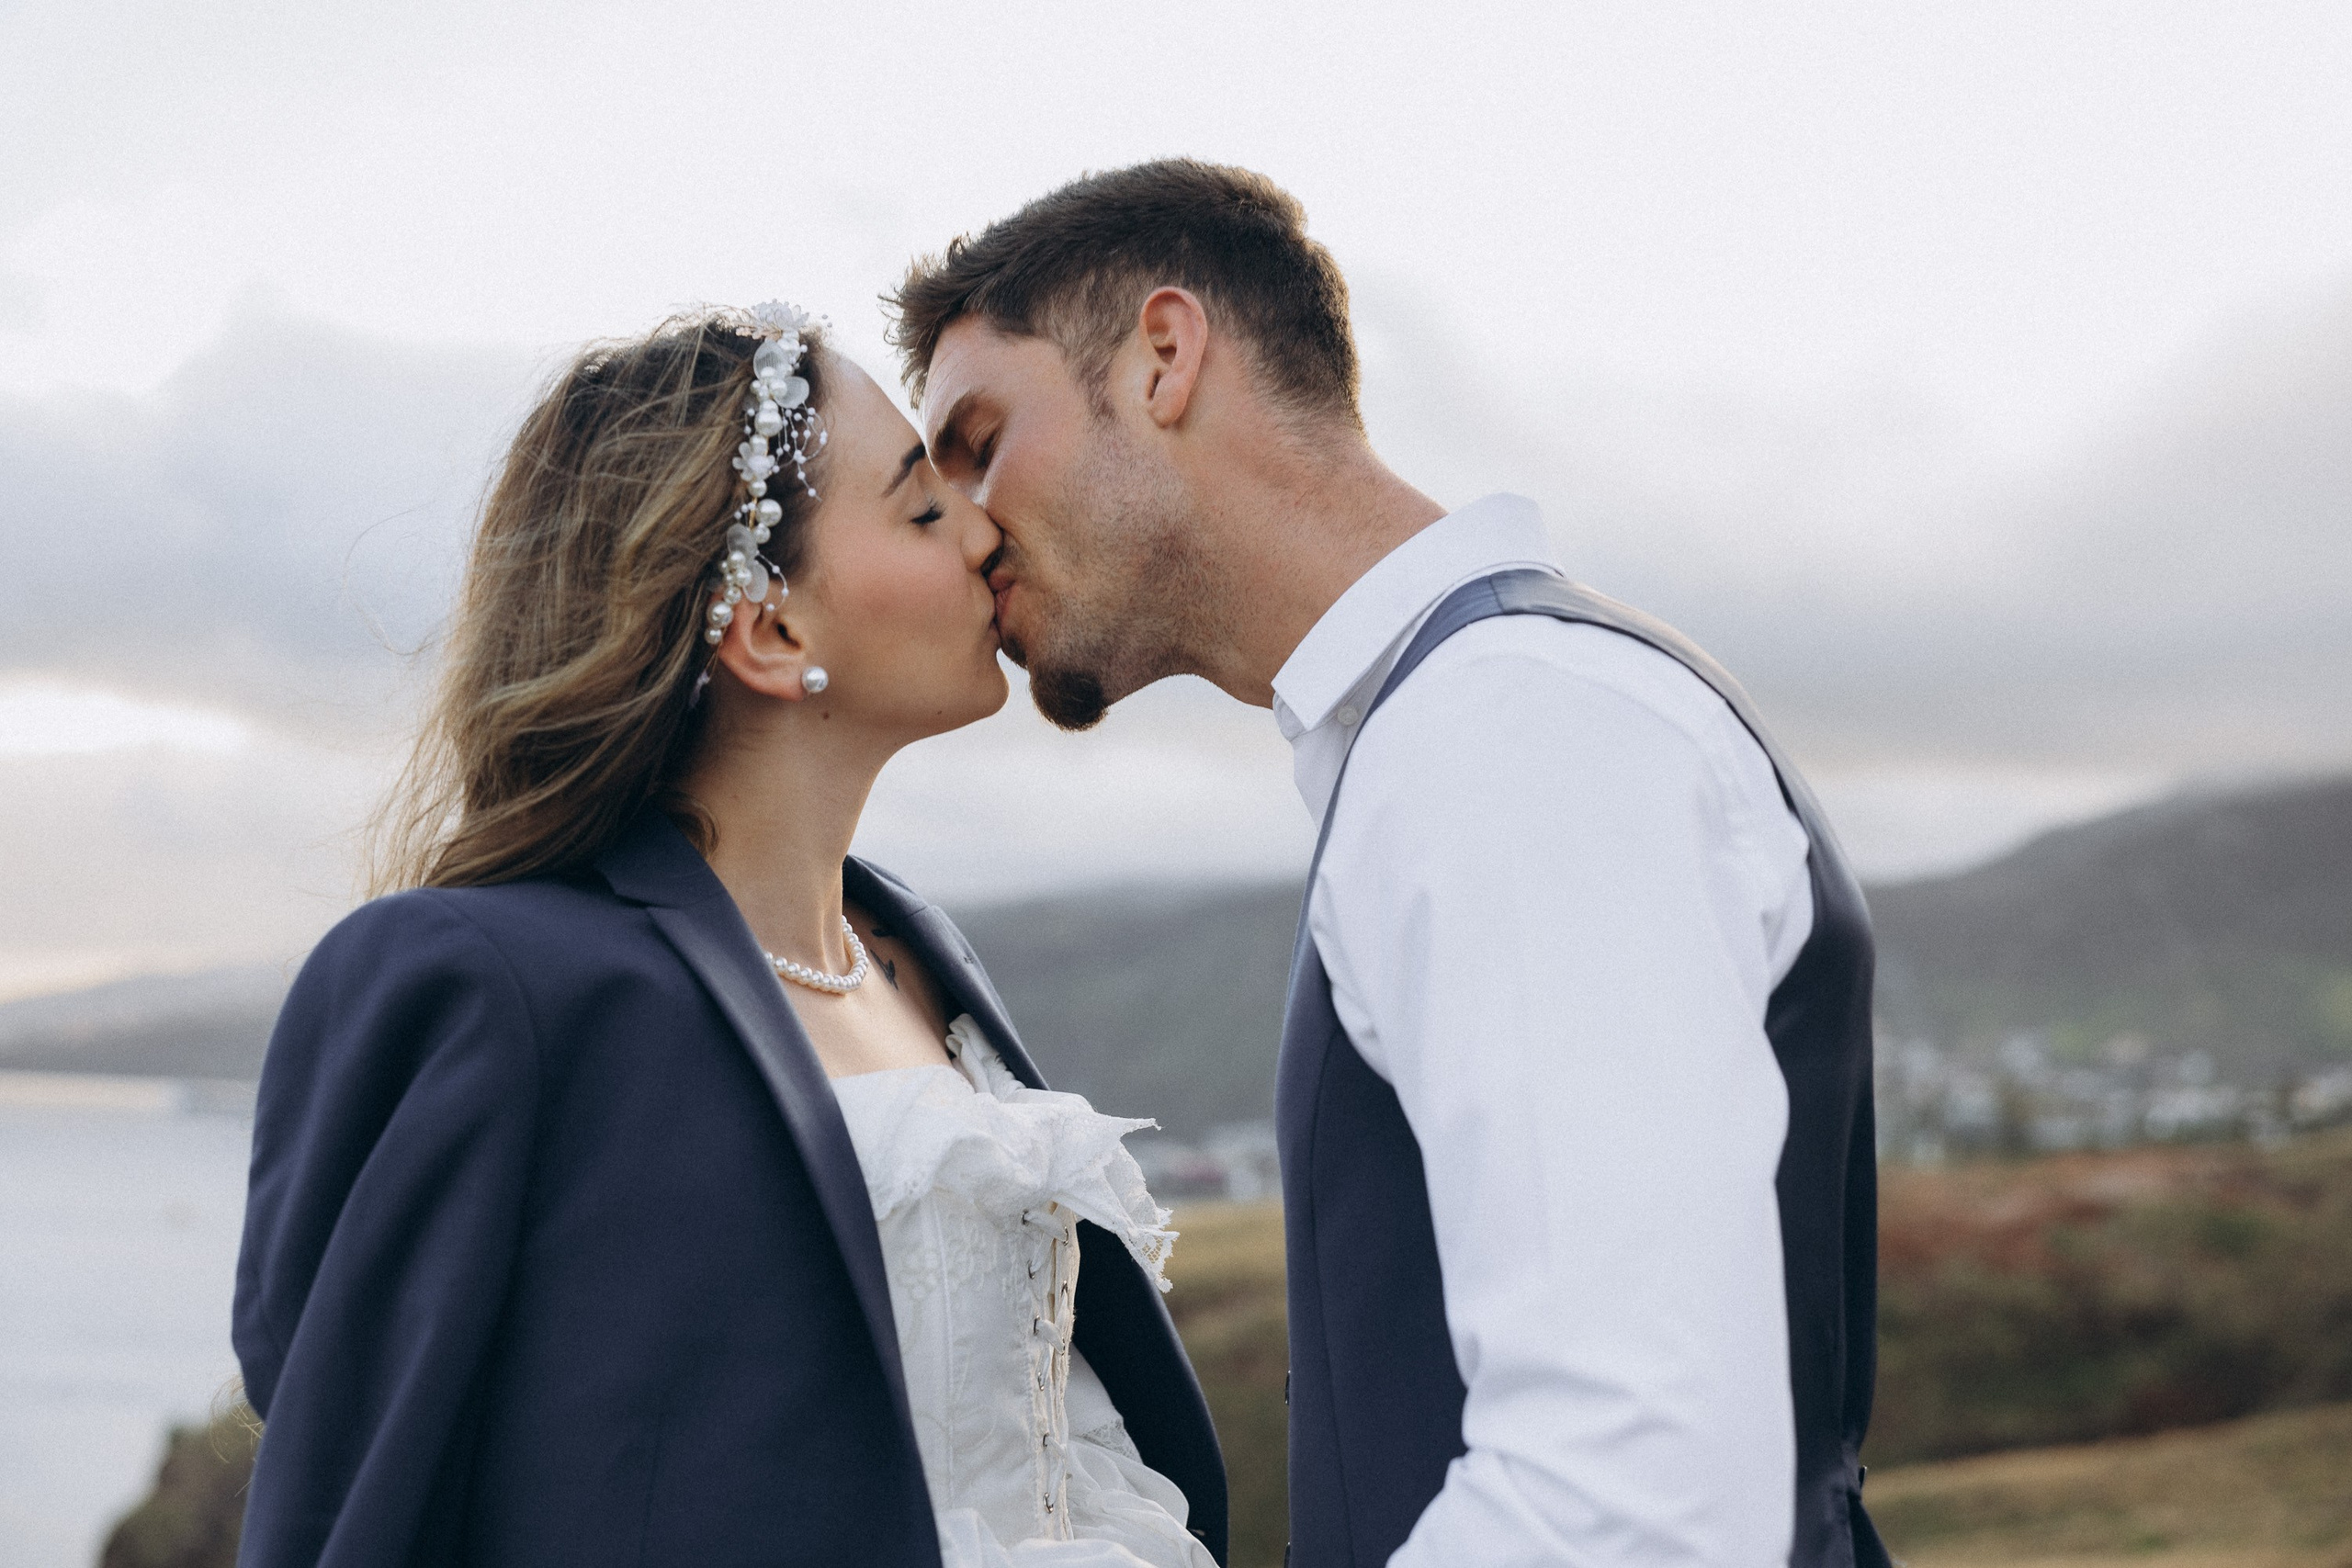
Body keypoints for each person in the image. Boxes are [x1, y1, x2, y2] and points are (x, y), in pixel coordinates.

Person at [890, 161, 1892, 1568]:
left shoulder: (1508, 734)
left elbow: (1625, 1492)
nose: (970, 525)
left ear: (1163, 358)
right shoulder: (1466, 724)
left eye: (980, 441)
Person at [232, 304, 1226, 1568]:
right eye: (922, 509)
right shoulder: (486, 986)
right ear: (769, 630)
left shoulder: (924, 958)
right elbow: (353, 1499)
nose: (985, 531)